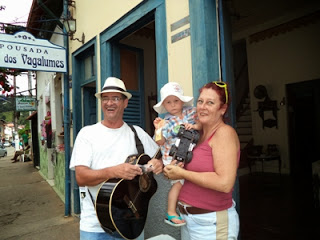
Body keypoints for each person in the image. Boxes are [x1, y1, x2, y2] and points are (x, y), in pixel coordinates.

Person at [69, 77, 163, 240]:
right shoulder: (87, 134)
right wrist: (114, 171)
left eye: (115, 98)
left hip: (132, 221)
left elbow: (157, 158)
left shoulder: (137, 133)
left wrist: (157, 163)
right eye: (105, 98)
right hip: (95, 226)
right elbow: (81, 177)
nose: (109, 103)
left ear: (125, 103)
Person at [163, 81, 240, 239]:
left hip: (211, 224)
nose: (203, 107)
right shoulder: (196, 134)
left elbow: (224, 183)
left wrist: (182, 173)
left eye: (210, 103)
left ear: (222, 109)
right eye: (200, 101)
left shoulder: (224, 133)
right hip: (188, 221)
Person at [153, 82, 201, 227]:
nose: (173, 105)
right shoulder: (166, 122)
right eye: (168, 102)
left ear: (182, 101)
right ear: (164, 106)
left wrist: (194, 126)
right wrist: (158, 129)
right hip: (173, 159)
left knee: (192, 181)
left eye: (176, 100)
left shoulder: (191, 112)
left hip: (189, 154)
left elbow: (202, 124)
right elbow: (160, 142)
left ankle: (187, 207)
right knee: (179, 183)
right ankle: (170, 211)